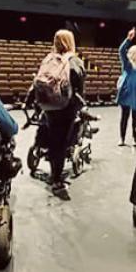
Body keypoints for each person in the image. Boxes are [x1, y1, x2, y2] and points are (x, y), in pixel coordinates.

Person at [41, 29, 86, 200]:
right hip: (65, 107)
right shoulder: (74, 61)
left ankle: (52, 168)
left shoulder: (48, 59)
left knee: (54, 139)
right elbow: (80, 89)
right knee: (61, 143)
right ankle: (56, 178)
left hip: (48, 106)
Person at [116, 27, 136, 147]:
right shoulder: (128, 65)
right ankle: (122, 138)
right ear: (135, 53)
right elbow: (121, 51)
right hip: (127, 94)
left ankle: (135, 138)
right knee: (124, 117)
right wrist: (128, 39)